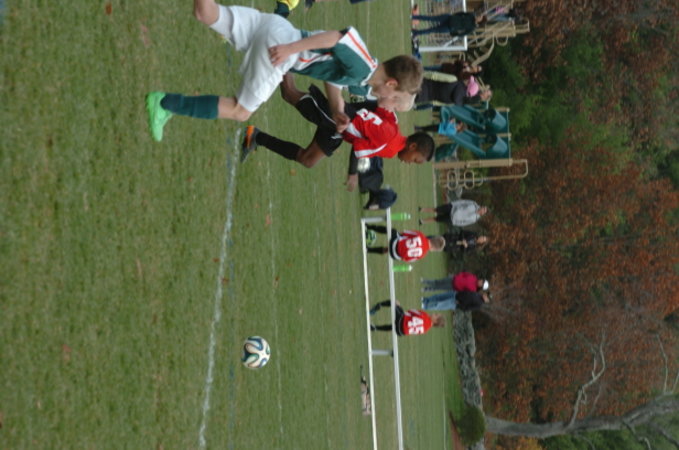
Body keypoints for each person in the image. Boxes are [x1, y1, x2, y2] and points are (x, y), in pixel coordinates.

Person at [145, 0, 423, 141]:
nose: (390, 108)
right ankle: (165, 104)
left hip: (276, 29)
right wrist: (291, 49)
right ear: (391, 84)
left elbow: (333, 80)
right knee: (241, 111)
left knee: (205, 13)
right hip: (281, 48)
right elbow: (335, 38)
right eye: (395, 101)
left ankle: (165, 104)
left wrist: (337, 109)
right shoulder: (364, 63)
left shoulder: (363, 79)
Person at [241, 75, 435, 174]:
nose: (410, 163)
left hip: (341, 128)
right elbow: (359, 149)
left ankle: (255, 136)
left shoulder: (394, 123)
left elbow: (380, 105)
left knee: (308, 159)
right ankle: (282, 52)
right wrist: (352, 173)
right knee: (289, 93)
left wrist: (354, 111)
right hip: (339, 119)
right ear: (413, 146)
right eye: (415, 160)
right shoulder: (390, 147)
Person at [365, 225, 445, 263]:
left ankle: (369, 227)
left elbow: (404, 233)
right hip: (395, 256)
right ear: (433, 249)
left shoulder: (420, 235)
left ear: (432, 238)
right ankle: (368, 250)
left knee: (393, 231)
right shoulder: (422, 255)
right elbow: (407, 259)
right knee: (394, 249)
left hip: (394, 243)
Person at [369, 300, 445, 336]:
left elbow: (411, 311)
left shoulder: (425, 315)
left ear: (435, 321)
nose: (433, 314)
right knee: (394, 327)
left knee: (396, 302)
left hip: (401, 320)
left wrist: (402, 311)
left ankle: (378, 305)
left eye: (435, 315)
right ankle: (375, 328)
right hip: (400, 332)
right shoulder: (425, 330)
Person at [411, 11, 487, 38]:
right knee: (431, 18)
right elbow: (461, 13)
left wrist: (453, 33)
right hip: (449, 18)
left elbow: (463, 34)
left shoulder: (472, 28)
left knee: (432, 30)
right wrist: (454, 16)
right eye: (480, 15)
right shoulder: (471, 15)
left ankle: (416, 32)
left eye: (481, 17)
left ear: (480, 21)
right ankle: (414, 17)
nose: (479, 16)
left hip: (449, 28)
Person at [418, 199, 488, 227]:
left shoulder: (474, 219)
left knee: (436, 219)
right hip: (452, 208)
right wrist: (453, 204)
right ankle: (422, 209)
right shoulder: (473, 204)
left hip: (452, 219)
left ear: (483, 214)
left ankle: (422, 221)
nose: (482, 209)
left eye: (484, 211)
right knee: (436, 210)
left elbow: (464, 223)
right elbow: (463, 202)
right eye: (483, 208)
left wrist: (455, 223)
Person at [421, 271, 489, 293]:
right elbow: (464, 273)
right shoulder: (474, 277)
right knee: (438, 281)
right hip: (453, 278)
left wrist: (457, 288)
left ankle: (426, 289)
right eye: (482, 281)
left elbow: (463, 292)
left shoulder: (473, 289)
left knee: (439, 287)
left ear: (480, 287)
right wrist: (457, 276)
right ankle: (425, 281)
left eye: (482, 284)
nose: (481, 282)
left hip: (453, 287)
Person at [421, 290, 490, 311]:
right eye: (486, 294)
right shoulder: (478, 293)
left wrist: (459, 304)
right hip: (455, 294)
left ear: (487, 301)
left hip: (455, 303)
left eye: (487, 297)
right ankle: (426, 300)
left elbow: (467, 308)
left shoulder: (479, 305)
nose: (485, 296)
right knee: (439, 297)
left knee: (439, 305)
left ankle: (425, 306)